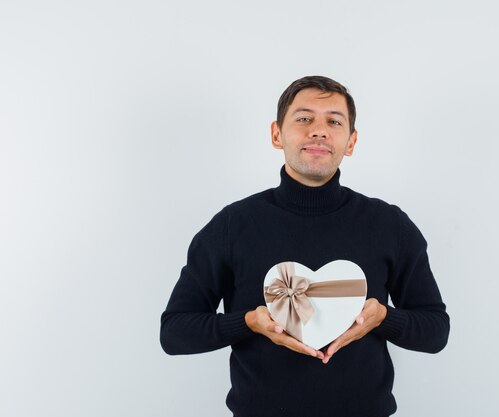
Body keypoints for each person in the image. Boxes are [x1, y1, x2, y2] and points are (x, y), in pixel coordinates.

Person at [160, 76, 450, 417]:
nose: (319, 130)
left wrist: (383, 318)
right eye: (304, 118)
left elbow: (435, 331)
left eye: (334, 121)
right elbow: (175, 332)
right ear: (276, 134)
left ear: (351, 141)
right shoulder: (231, 226)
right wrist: (249, 322)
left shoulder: (390, 225)